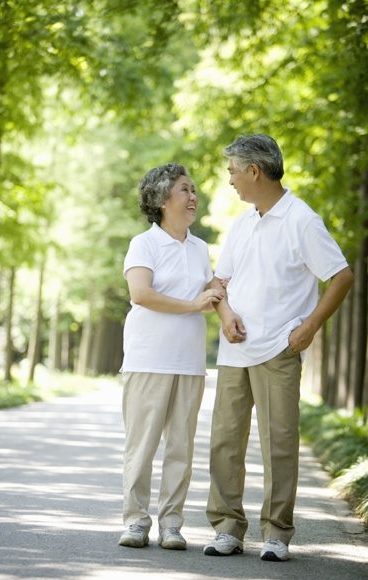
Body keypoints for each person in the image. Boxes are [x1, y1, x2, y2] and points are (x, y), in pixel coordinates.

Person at [203, 134, 354, 561]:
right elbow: (220, 282)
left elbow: (341, 276)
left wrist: (309, 327)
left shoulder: (302, 220)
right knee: (225, 442)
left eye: (233, 170)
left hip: (279, 349)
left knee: (280, 442)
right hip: (236, 349)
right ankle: (228, 528)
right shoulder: (243, 222)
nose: (230, 179)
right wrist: (225, 312)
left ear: (255, 171)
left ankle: (276, 533)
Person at [118, 162, 224, 551]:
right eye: (184, 189)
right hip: (148, 360)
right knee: (142, 446)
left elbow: (209, 296)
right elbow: (141, 294)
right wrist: (195, 304)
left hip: (190, 363)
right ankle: (134, 521)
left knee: (181, 448)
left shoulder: (200, 248)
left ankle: (172, 524)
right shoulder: (142, 244)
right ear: (163, 199)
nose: (193, 196)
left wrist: (214, 298)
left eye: (193, 189)